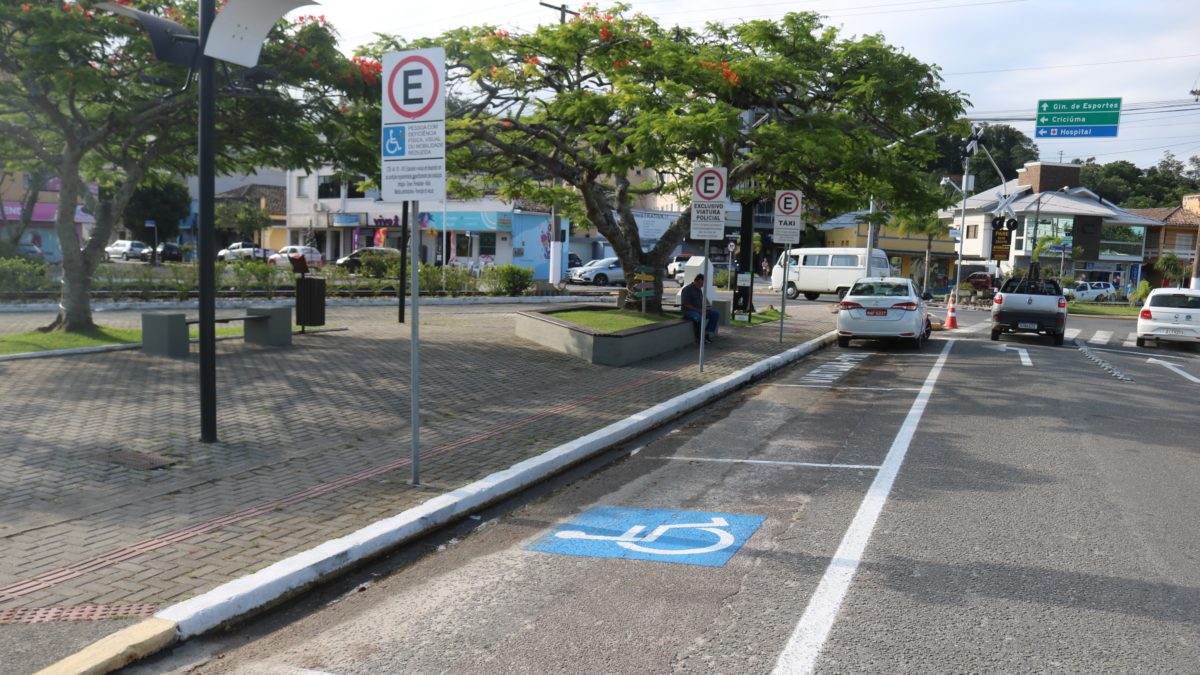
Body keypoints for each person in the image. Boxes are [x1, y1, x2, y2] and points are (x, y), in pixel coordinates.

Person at [681, 273, 719, 343]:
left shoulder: (699, 290)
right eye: (703, 282)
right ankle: (699, 338)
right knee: (699, 318)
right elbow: (686, 304)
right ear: (698, 280)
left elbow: (701, 302)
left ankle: (706, 334)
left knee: (715, 314)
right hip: (689, 311)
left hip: (699, 310)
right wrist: (699, 310)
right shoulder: (687, 289)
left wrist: (706, 308)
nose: (703, 285)